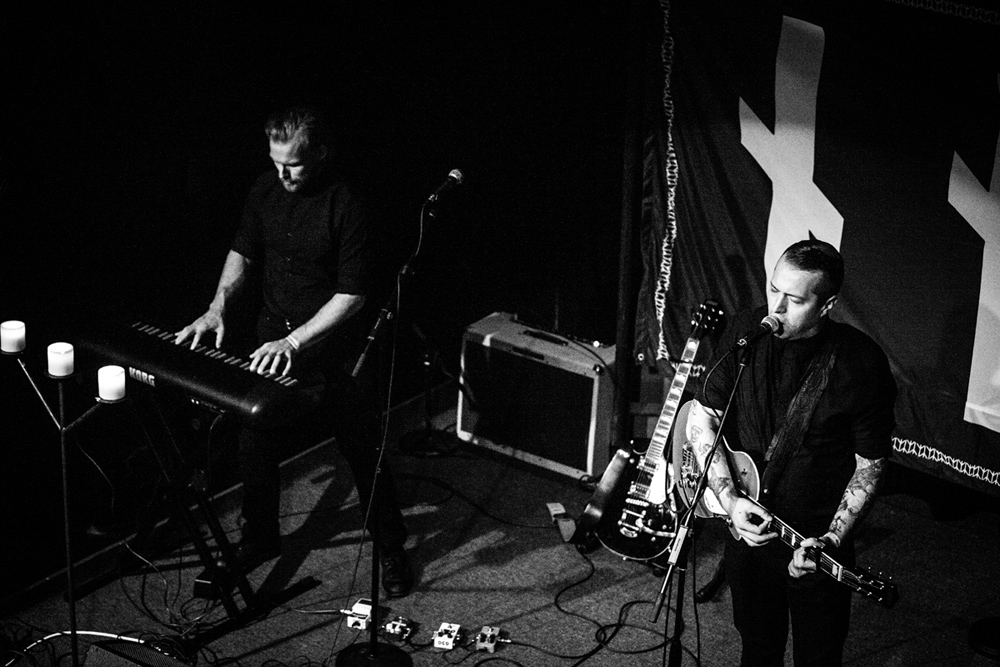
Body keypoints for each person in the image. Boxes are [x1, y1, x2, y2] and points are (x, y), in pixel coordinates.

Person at [175, 105, 413, 598]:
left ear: (321, 153)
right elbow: (242, 250)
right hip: (272, 342)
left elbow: (353, 295)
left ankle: (391, 545)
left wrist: (294, 340)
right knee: (252, 439)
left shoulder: (346, 203)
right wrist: (216, 307)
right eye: (275, 161)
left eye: (294, 165)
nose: (282, 173)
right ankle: (260, 539)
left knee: (362, 451)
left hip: (339, 351)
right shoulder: (264, 188)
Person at [684, 239, 896, 666]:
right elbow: (701, 416)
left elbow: (870, 466)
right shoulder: (746, 332)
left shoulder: (861, 364)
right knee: (757, 649)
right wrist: (729, 500)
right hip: (747, 529)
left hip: (816, 540)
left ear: (826, 304)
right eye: (773, 289)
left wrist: (833, 539)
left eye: (793, 299)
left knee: (818, 656)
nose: (775, 308)